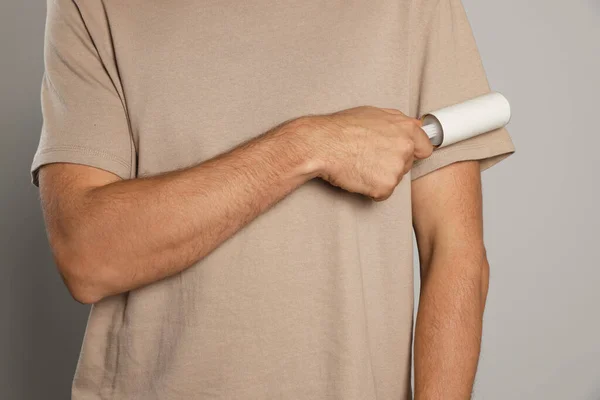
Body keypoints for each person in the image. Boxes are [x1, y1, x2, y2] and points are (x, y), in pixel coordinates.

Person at [30, 0, 515, 398]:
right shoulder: (93, 6)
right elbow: (88, 257)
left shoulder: (414, 6)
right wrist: (306, 146)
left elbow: (454, 250)